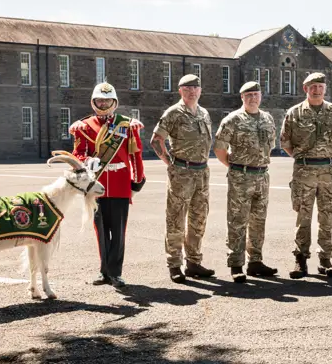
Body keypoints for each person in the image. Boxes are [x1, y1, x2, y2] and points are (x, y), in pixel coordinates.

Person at [72, 82, 145, 288]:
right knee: (101, 231)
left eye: (107, 100)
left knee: (119, 232)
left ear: (115, 102)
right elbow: (77, 153)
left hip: (120, 185)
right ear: (93, 102)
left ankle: (115, 272)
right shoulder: (84, 126)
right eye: (99, 100)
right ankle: (105, 271)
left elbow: (136, 155)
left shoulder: (127, 125)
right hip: (96, 185)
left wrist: (137, 181)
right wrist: (87, 161)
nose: (103, 104)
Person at [280, 72, 332, 279]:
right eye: (313, 86)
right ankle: (300, 259)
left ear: (325, 89)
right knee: (303, 217)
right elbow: (286, 142)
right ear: (305, 88)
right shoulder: (294, 113)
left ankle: (325, 259)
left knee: (327, 216)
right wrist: (303, 158)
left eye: (320, 86)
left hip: (328, 171)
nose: (317, 90)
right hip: (304, 172)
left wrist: (325, 155)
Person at [150, 74, 215, 284]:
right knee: (176, 219)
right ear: (180, 91)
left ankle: (194, 262)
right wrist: (170, 163)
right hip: (182, 173)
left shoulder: (204, 113)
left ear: (200, 90)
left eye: (195, 88)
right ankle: (174, 264)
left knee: (198, 219)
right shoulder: (174, 113)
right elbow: (156, 140)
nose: (192, 92)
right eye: (187, 89)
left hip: (202, 173)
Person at [214, 81, 278, 283]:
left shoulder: (267, 118)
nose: (253, 98)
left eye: (256, 94)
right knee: (237, 221)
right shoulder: (233, 120)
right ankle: (236, 264)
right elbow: (219, 148)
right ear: (242, 97)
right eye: (248, 95)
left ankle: (255, 261)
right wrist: (235, 167)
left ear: (261, 96)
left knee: (259, 221)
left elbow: (270, 146)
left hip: (262, 176)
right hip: (241, 177)